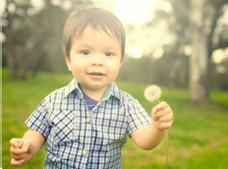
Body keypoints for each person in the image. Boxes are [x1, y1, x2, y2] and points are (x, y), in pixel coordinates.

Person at [9, 7, 174, 169]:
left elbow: (145, 140)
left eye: (108, 54)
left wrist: (156, 127)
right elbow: (38, 132)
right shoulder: (53, 100)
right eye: (85, 52)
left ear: (120, 61)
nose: (97, 61)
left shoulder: (127, 104)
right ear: (68, 60)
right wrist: (28, 145)